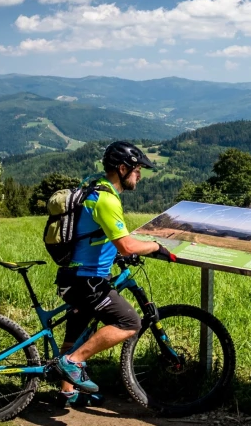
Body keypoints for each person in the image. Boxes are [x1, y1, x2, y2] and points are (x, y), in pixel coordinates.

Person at [51, 141, 175, 407]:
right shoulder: (106, 199)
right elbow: (127, 243)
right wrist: (155, 247)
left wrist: (118, 252)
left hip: (73, 277)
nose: (140, 174)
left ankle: (67, 392)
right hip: (88, 281)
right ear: (122, 168)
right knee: (130, 323)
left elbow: (99, 237)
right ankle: (72, 363)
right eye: (137, 169)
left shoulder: (95, 189)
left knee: (75, 334)